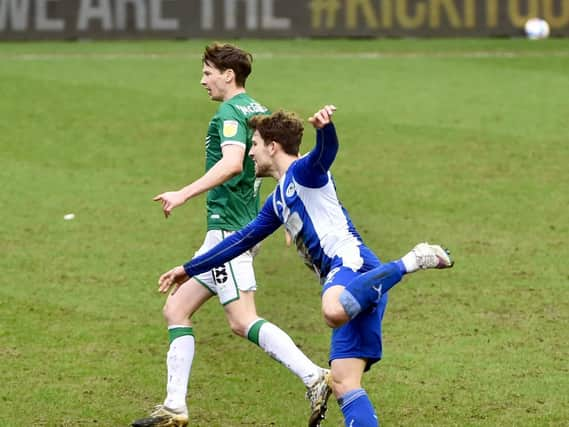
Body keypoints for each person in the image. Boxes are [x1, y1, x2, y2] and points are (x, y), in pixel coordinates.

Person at [156, 105, 455, 427]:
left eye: (254, 145)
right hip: (356, 284)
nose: (251, 153)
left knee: (333, 310)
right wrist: (189, 268)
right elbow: (240, 241)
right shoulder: (277, 200)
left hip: (352, 264)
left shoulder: (304, 173)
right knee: (342, 382)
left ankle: (413, 259)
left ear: (273, 146)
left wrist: (325, 129)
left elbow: (327, 153)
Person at [132, 44, 331, 427]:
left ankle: (314, 376)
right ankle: (175, 406)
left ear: (228, 74)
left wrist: (183, 193)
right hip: (235, 229)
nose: (203, 80)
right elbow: (279, 165)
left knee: (242, 320)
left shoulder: (227, 113)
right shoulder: (257, 111)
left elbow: (231, 163)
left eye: (208, 72)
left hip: (230, 230)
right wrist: (290, 216)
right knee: (176, 309)